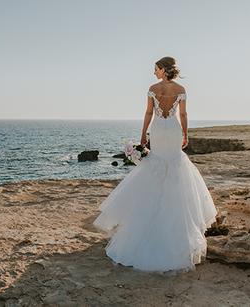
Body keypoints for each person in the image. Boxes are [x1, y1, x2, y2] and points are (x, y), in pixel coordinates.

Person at [93, 56, 218, 274]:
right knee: (175, 164)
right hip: (173, 130)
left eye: (156, 69)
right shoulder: (181, 88)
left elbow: (149, 113)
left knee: (155, 165)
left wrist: (143, 136)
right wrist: (186, 134)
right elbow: (183, 114)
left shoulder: (152, 88)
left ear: (163, 69)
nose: (154, 72)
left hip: (159, 130)